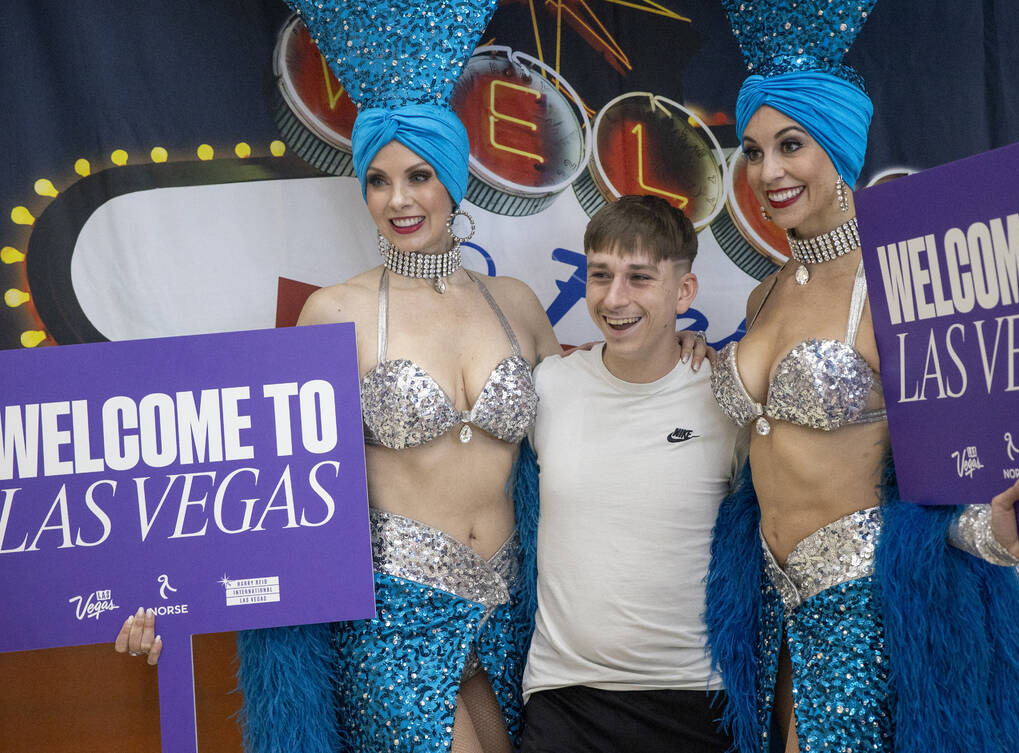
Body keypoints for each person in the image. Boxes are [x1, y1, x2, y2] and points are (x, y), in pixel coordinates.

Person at [116, 1, 561, 751]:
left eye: (418, 175)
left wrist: (683, 360)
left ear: (453, 176)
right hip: (396, 621)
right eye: (378, 180)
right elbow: (258, 487)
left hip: (516, 617)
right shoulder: (337, 312)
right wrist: (160, 590)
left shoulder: (513, 304)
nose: (398, 200)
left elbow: (593, 425)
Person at [705, 2, 1019, 752]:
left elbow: (956, 470)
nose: (767, 172)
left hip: (872, 614)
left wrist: (999, 528)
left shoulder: (900, 283)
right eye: (752, 150)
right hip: (772, 614)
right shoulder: (763, 291)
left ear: (837, 144)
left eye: (790, 144)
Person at [519, 195, 737, 753]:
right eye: (600, 275)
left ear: (684, 291)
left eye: (640, 278)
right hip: (565, 695)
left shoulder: (727, 395)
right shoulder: (549, 386)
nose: (615, 299)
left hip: (696, 697)